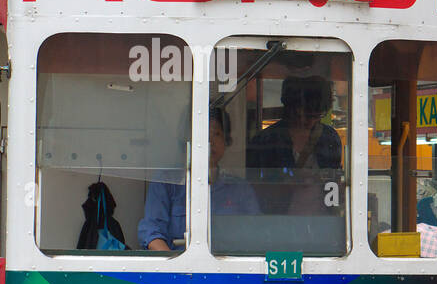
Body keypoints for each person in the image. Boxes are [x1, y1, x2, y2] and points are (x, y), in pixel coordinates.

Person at [138, 107, 258, 251]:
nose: (210, 142)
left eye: (216, 134)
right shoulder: (166, 181)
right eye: (202, 134)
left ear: (226, 141)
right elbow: (151, 232)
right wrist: (176, 268)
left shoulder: (240, 188)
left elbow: (256, 233)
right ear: (187, 140)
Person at [246, 76, 342, 215]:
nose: (310, 121)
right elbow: (252, 191)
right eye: (304, 114)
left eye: (317, 115)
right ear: (289, 106)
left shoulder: (329, 138)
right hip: (278, 226)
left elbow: (334, 183)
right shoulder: (265, 141)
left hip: (322, 225)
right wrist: (287, 185)